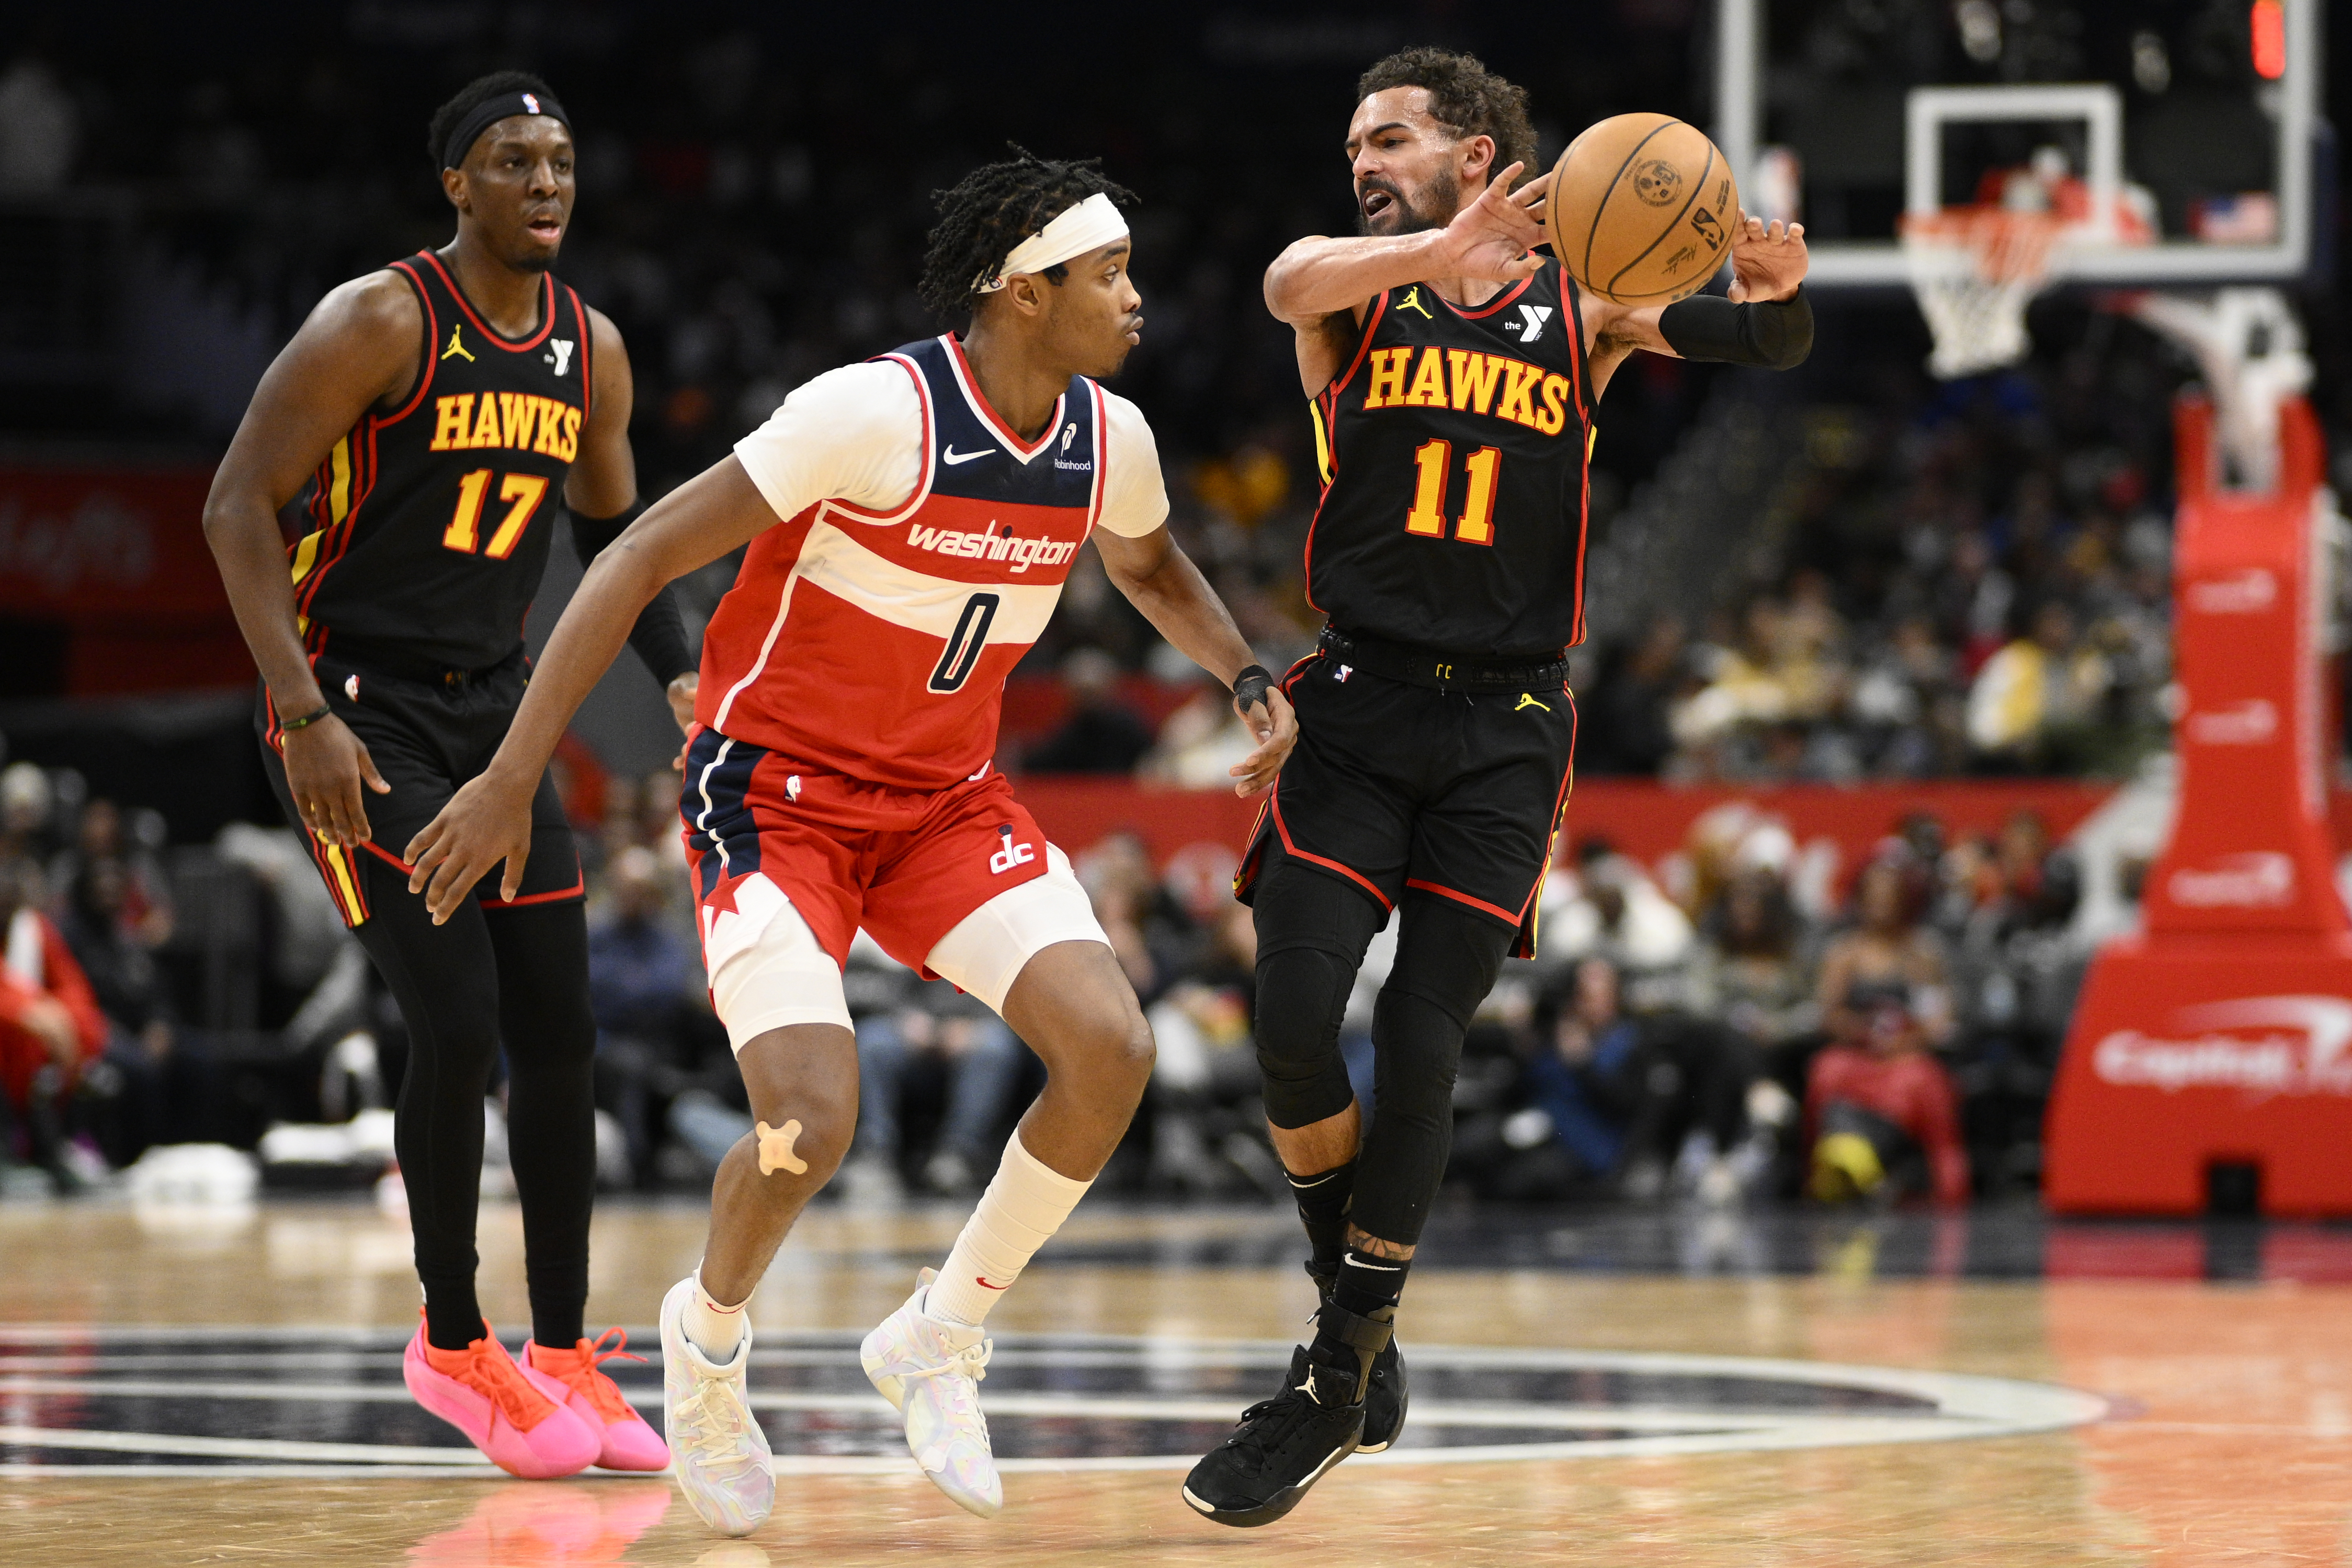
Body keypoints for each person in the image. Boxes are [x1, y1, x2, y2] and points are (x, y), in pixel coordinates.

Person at [399, 149, 1298, 1536]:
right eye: (1106, 273)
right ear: (1022, 291)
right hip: (774, 799)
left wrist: (1241, 673)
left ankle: (939, 1334)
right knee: (808, 1126)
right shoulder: (871, 413)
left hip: (943, 804)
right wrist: (518, 771)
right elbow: (634, 554)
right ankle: (706, 1344)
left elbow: (1148, 560)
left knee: (1110, 1048)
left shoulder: (1108, 438)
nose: (1136, 297)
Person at [1190, 46, 1813, 1525]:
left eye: (1392, 136)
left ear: (1478, 154)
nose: (1363, 155)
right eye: (1354, 139)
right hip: (1350, 704)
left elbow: (1755, 353)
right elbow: (1285, 280)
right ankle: (1353, 1308)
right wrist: (1427, 246)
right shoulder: (1356, 288)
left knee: (1422, 1038)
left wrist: (1779, 293)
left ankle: (1336, 1378)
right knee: (1288, 1021)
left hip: (1507, 727)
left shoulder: (1584, 307)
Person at [199, 72, 682, 1480]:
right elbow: (236, 506)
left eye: (562, 161)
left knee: (563, 1036)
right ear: (456, 186)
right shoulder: (382, 319)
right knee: (456, 1024)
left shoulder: (591, 350)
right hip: (357, 708)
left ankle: (565, 1354)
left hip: (497, 716)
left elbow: (620, 542)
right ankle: (453, 1341)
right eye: (511, 160)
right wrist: (299, 714)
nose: (545, 182)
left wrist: (688, 677)